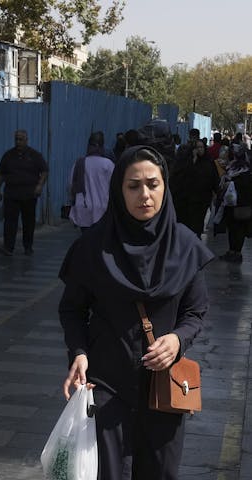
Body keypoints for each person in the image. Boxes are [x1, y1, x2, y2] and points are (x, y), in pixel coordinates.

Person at [58, 145, 213, 479]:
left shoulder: (185, 246)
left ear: (164, 187)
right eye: (133, 185)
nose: (144, 194)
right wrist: (79, 352)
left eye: (153, 184)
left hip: (165, 390)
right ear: (119, 190)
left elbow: (196, 312)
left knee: (160, 471)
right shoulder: (93, 248)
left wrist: (177, 340)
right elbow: (72, 310)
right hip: (106, 387)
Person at [0, 129, 48, 255]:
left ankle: (28, 247)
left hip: (29, 194)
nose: (18, 142)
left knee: (28, 222)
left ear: (26, 140)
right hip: (11, 194)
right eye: (16, 139)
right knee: (10, 222)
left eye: (21, 139)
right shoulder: (8, 155)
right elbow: (1, 174)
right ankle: (8, 247)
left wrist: (40, 186)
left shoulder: (35, 155)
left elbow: (44, 171)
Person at [170, 138, 219, 237]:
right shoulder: (188, 162)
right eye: (197, 148)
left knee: (198, 223)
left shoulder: (209, 162)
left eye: (201, 147)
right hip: (189, 199)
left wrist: (216, 193)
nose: (199, 150)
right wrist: (193, 161)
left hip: (203, 199)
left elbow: (214, 178)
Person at [68, 131, 115, 231]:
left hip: (83, 209)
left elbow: (71, 186)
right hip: (103, 210)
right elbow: (115, 187)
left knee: (86, 242)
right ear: (102, 146)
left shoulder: (79, 163)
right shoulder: (108, 164)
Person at [217, 144, 252, 263]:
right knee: (231, 228)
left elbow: (245, 186)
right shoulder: (231, 166)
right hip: (230, 204)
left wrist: (231, 184)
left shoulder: (246, 169)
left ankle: (237, 253)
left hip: (241, 204)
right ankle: (231, 251)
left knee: (239, 230)